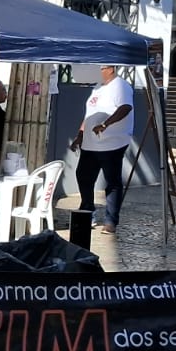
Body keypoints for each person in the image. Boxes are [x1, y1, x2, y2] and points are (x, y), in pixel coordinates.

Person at [71, 64, 133, 234]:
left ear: (111, 68)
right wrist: (80, 135)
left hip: (112, 143)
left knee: (112, 182)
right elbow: (88, 115)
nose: (96, 70)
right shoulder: (97, 88)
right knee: (83, 176)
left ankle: (111, 220)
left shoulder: (121, 86)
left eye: (100, 67)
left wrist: (105, 124)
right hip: (90, 144)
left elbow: (125, 107)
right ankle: (88, 211)